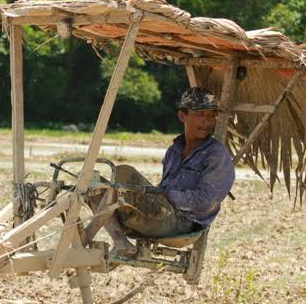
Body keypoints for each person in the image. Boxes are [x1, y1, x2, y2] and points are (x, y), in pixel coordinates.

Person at [98, 87, 235, 257]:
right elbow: (164, 187)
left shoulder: (217, 156)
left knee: (124, 172)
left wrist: (168, 195)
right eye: (200, 114)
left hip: (183, 224)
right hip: (163, 213)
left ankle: (121, 236)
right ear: (182, 116)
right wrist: (157, 194)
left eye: (211, 115)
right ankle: (120, 241)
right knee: (95, 183)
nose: (207, 121)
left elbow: (205, 202)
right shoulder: (174, 150)